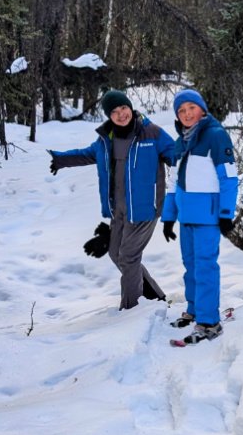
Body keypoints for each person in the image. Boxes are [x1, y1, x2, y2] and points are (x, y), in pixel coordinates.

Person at [48, 90, 177, 310]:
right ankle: (153, 297)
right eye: (114, 111)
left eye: (123, 108)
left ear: (130, 108)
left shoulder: (152, 132)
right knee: (116, 252)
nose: (121, 114)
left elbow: (176, 155)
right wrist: (61, 160)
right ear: (109, 115)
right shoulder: (106, 139)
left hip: (146, 207)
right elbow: (86, 154)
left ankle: (132, 310)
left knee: (128, 257)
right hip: (118, 209)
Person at [161, 89, 238, 345]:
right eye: (181, 111)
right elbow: (174, 183)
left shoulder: (215, 135)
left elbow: (229, 178)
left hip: (208, 217)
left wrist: (226, 214)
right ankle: (193, 310)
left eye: (191, 108)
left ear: (202, 109)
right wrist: (169, 217)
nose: (186, 114)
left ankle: (208, 322)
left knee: (205, 267)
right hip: (186, 217)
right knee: (190, 266)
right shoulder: (180, 142)